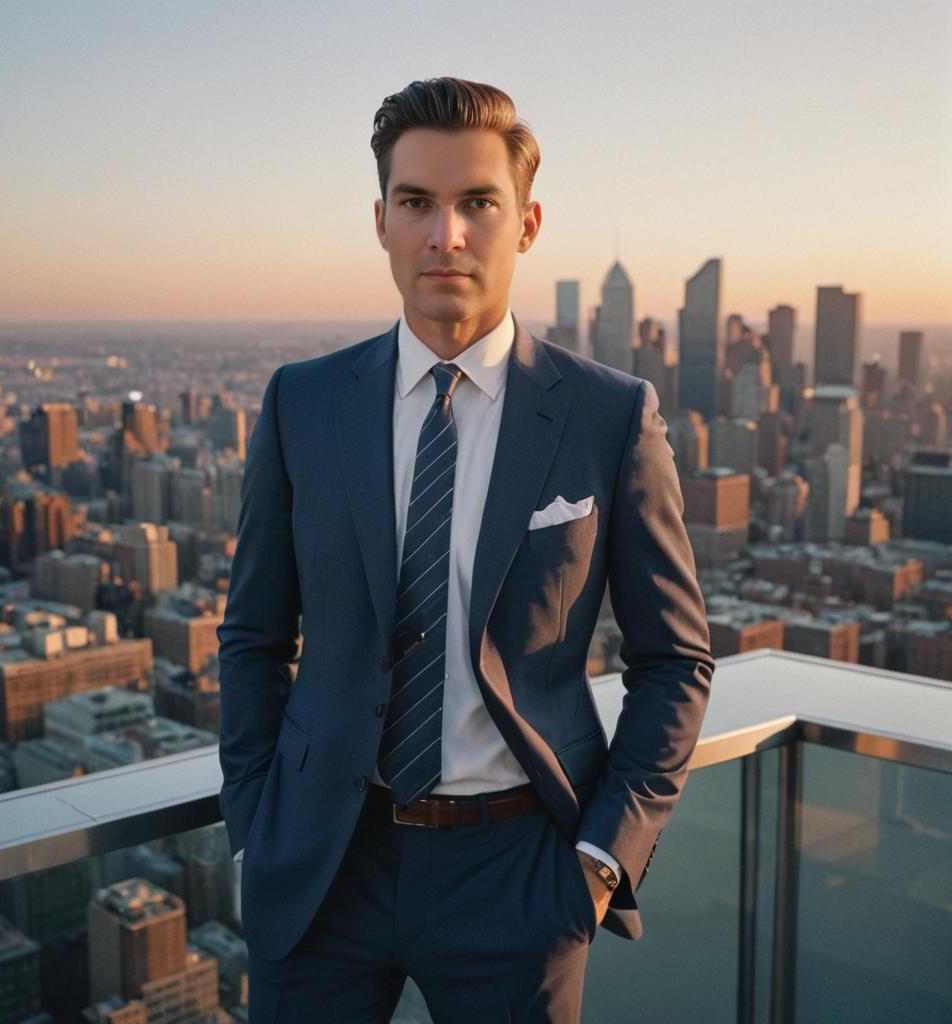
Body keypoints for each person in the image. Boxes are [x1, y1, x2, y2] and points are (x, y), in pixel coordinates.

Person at [216, 76, 714, 1023]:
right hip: (322, 864)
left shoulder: (609, 416)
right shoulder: (301, 403)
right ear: (381, 222)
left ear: (526, 223)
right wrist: (254, 827)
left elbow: (675, 660)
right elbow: (252, 637)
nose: (445, 235)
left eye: (477, 203)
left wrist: (602, 861)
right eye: (417, 203)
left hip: (519, 877)